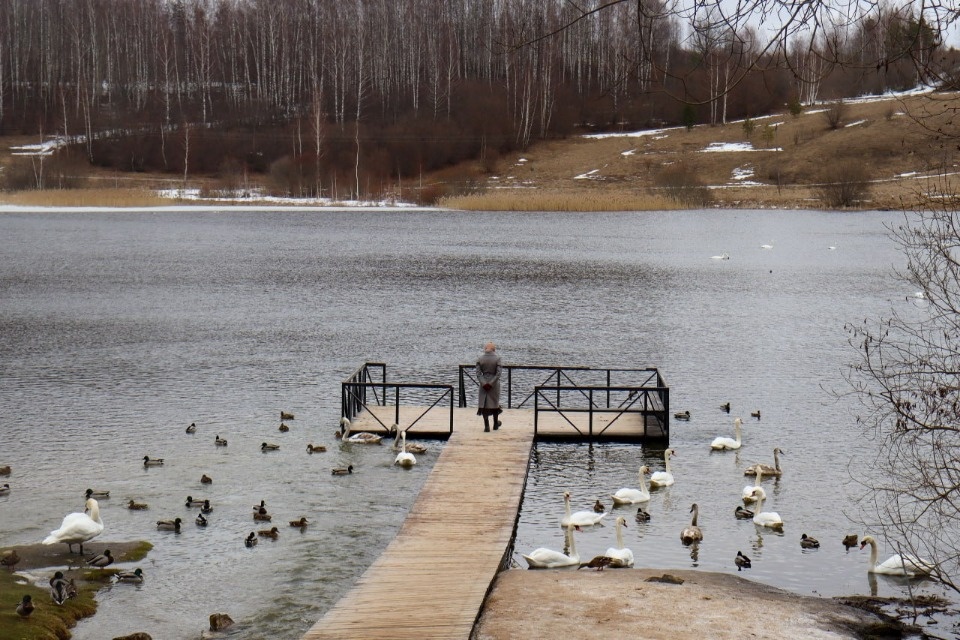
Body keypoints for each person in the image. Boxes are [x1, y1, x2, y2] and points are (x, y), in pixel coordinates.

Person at [477, 342, 503, 432]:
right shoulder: (497, 358)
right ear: (494, 349)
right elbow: (498, 373)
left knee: (484, 404)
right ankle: (495, 424)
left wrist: (484, 383)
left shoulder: (480, 358)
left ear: (485, 349)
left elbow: (478, 374)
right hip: (494, 384)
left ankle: (486, 426)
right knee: (495, 403)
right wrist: (491, 383)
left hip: (483, 383)